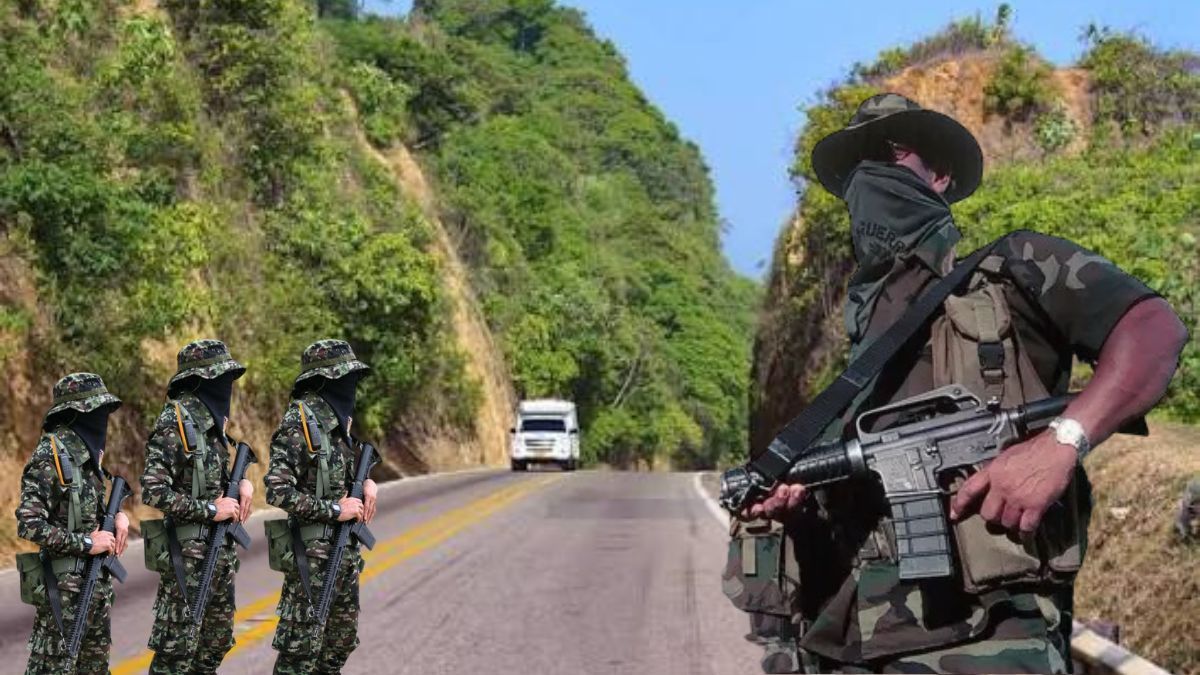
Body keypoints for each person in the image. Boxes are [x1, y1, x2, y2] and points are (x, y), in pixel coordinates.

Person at [734, 93, 1188, 673]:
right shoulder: (859, 354)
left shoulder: (1012, 271)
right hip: (850, 643)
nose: (867, 173)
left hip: (985, 642)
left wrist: (1062, 442)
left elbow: (1154, 330)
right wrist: (799, 507)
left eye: (888, 152)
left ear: (940, 175)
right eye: (855, 164)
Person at [265, 339, 379, 674]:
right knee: (300, 653)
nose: (351, 386)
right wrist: (334, 511)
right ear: (324, 380)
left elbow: (340, 472)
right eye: (345, 378)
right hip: (311, 559)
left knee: (339, 644)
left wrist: (367, 481)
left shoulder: (337, 422)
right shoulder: (299, 423)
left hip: (344, 554)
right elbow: (277, 490)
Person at [141, 339, 253, 673]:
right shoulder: (174, 422)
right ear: (199, 380)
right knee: (176, 653)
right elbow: (153, 490)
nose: (226, 386)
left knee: (215, 643)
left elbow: (211, 480)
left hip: (218, 554)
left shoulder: (211, 424)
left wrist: (242, 483)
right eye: (220, 378)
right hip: (186, 558)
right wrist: (210, 511)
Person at [16, 373, 131, 674]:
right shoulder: (49, 457)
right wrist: (87, 543)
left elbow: (84, 512)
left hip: (95, 589)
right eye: (96, 411)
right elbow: (29, 523)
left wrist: (118, 516)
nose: (102, 419)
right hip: (63, 597)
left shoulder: (85, 456)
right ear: (75, 413)